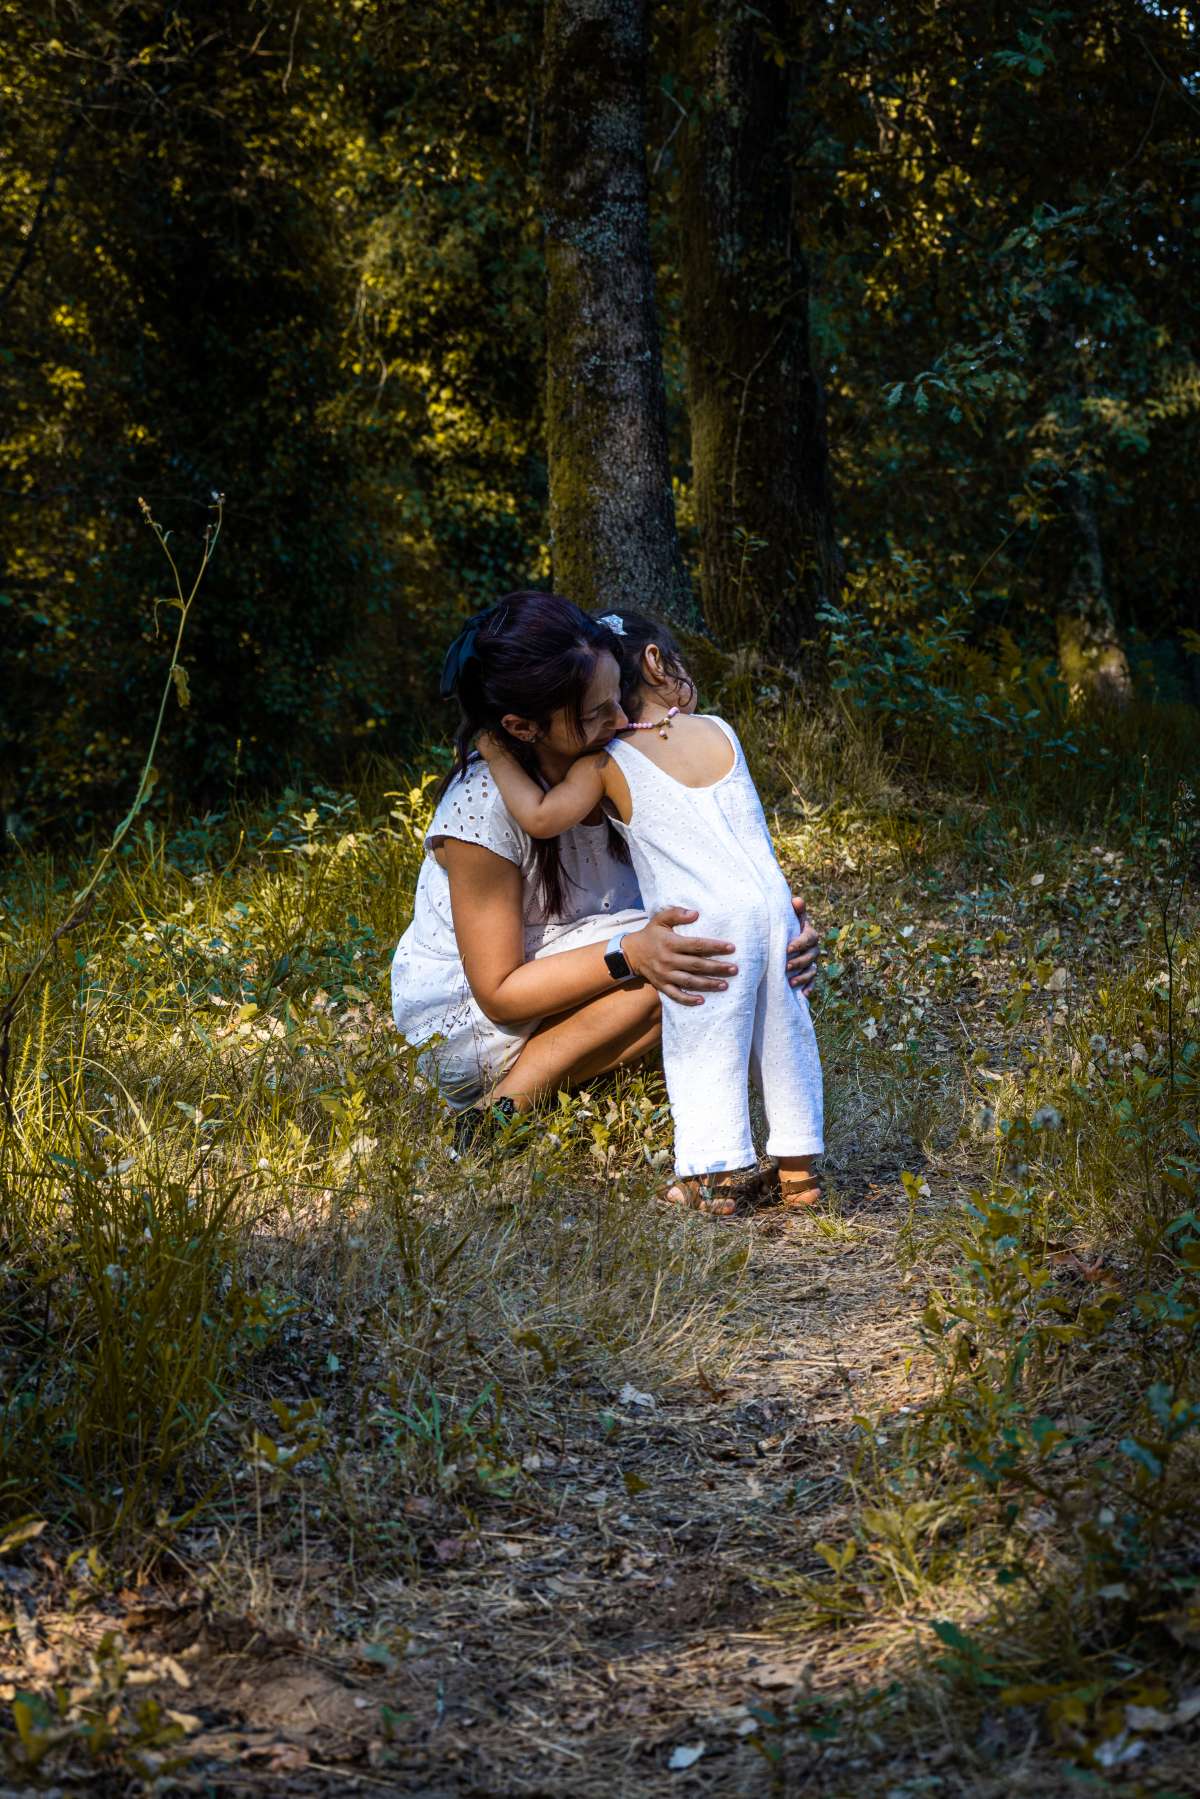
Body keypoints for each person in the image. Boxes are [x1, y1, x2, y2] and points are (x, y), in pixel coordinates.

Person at [389, 591, 820, 1192]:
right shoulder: (484, 807)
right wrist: (631, 954)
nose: (619, 721)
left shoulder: (626, 760)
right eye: (594, 714)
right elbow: (499, 995)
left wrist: (776, 926)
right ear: (520, 727)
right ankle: (498, 1114)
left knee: (704, 954)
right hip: (478, 1017)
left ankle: (592, 1067)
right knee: (676, 964)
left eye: (617, 697)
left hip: (595, 960)